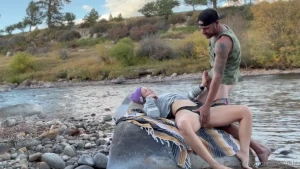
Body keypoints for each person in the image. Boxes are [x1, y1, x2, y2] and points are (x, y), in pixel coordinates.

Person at [192, 8, 271, 164]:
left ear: (217, 23)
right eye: (201, 28)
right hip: (218, 79)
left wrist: (208, 105)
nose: (203, 32)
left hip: (223, 81)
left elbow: (219, 76)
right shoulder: (217, 32)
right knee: (197, 107)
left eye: (206, 28)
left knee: (218, 120)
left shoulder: (223, 43)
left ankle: (260, 150)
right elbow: (216, 69)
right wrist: (208, 76)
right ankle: (261, 149)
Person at [130, 73, 253, 169]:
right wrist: (150, 100)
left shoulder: (165, 95)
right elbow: (154, 116)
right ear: (143, 98)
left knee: (245, 111)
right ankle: (214, 164)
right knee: (183, 125)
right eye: (146, 91)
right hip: (184, 112)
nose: (150, 90)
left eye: (149, 88)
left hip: (200, 108)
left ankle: (244, 153)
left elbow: (188, 95)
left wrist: (202, 85)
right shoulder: (150, 104)